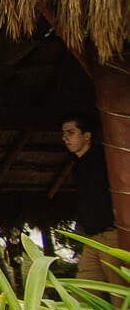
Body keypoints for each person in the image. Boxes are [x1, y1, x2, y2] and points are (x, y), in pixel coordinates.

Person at [62, 112, 121, 283]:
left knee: (120, 296)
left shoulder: (103, 158)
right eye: (63, 134)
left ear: (86, 136)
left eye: (71, 133)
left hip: (112, 234)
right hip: (93, 238)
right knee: (85, 292)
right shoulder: (78, 165)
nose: (65, 138)